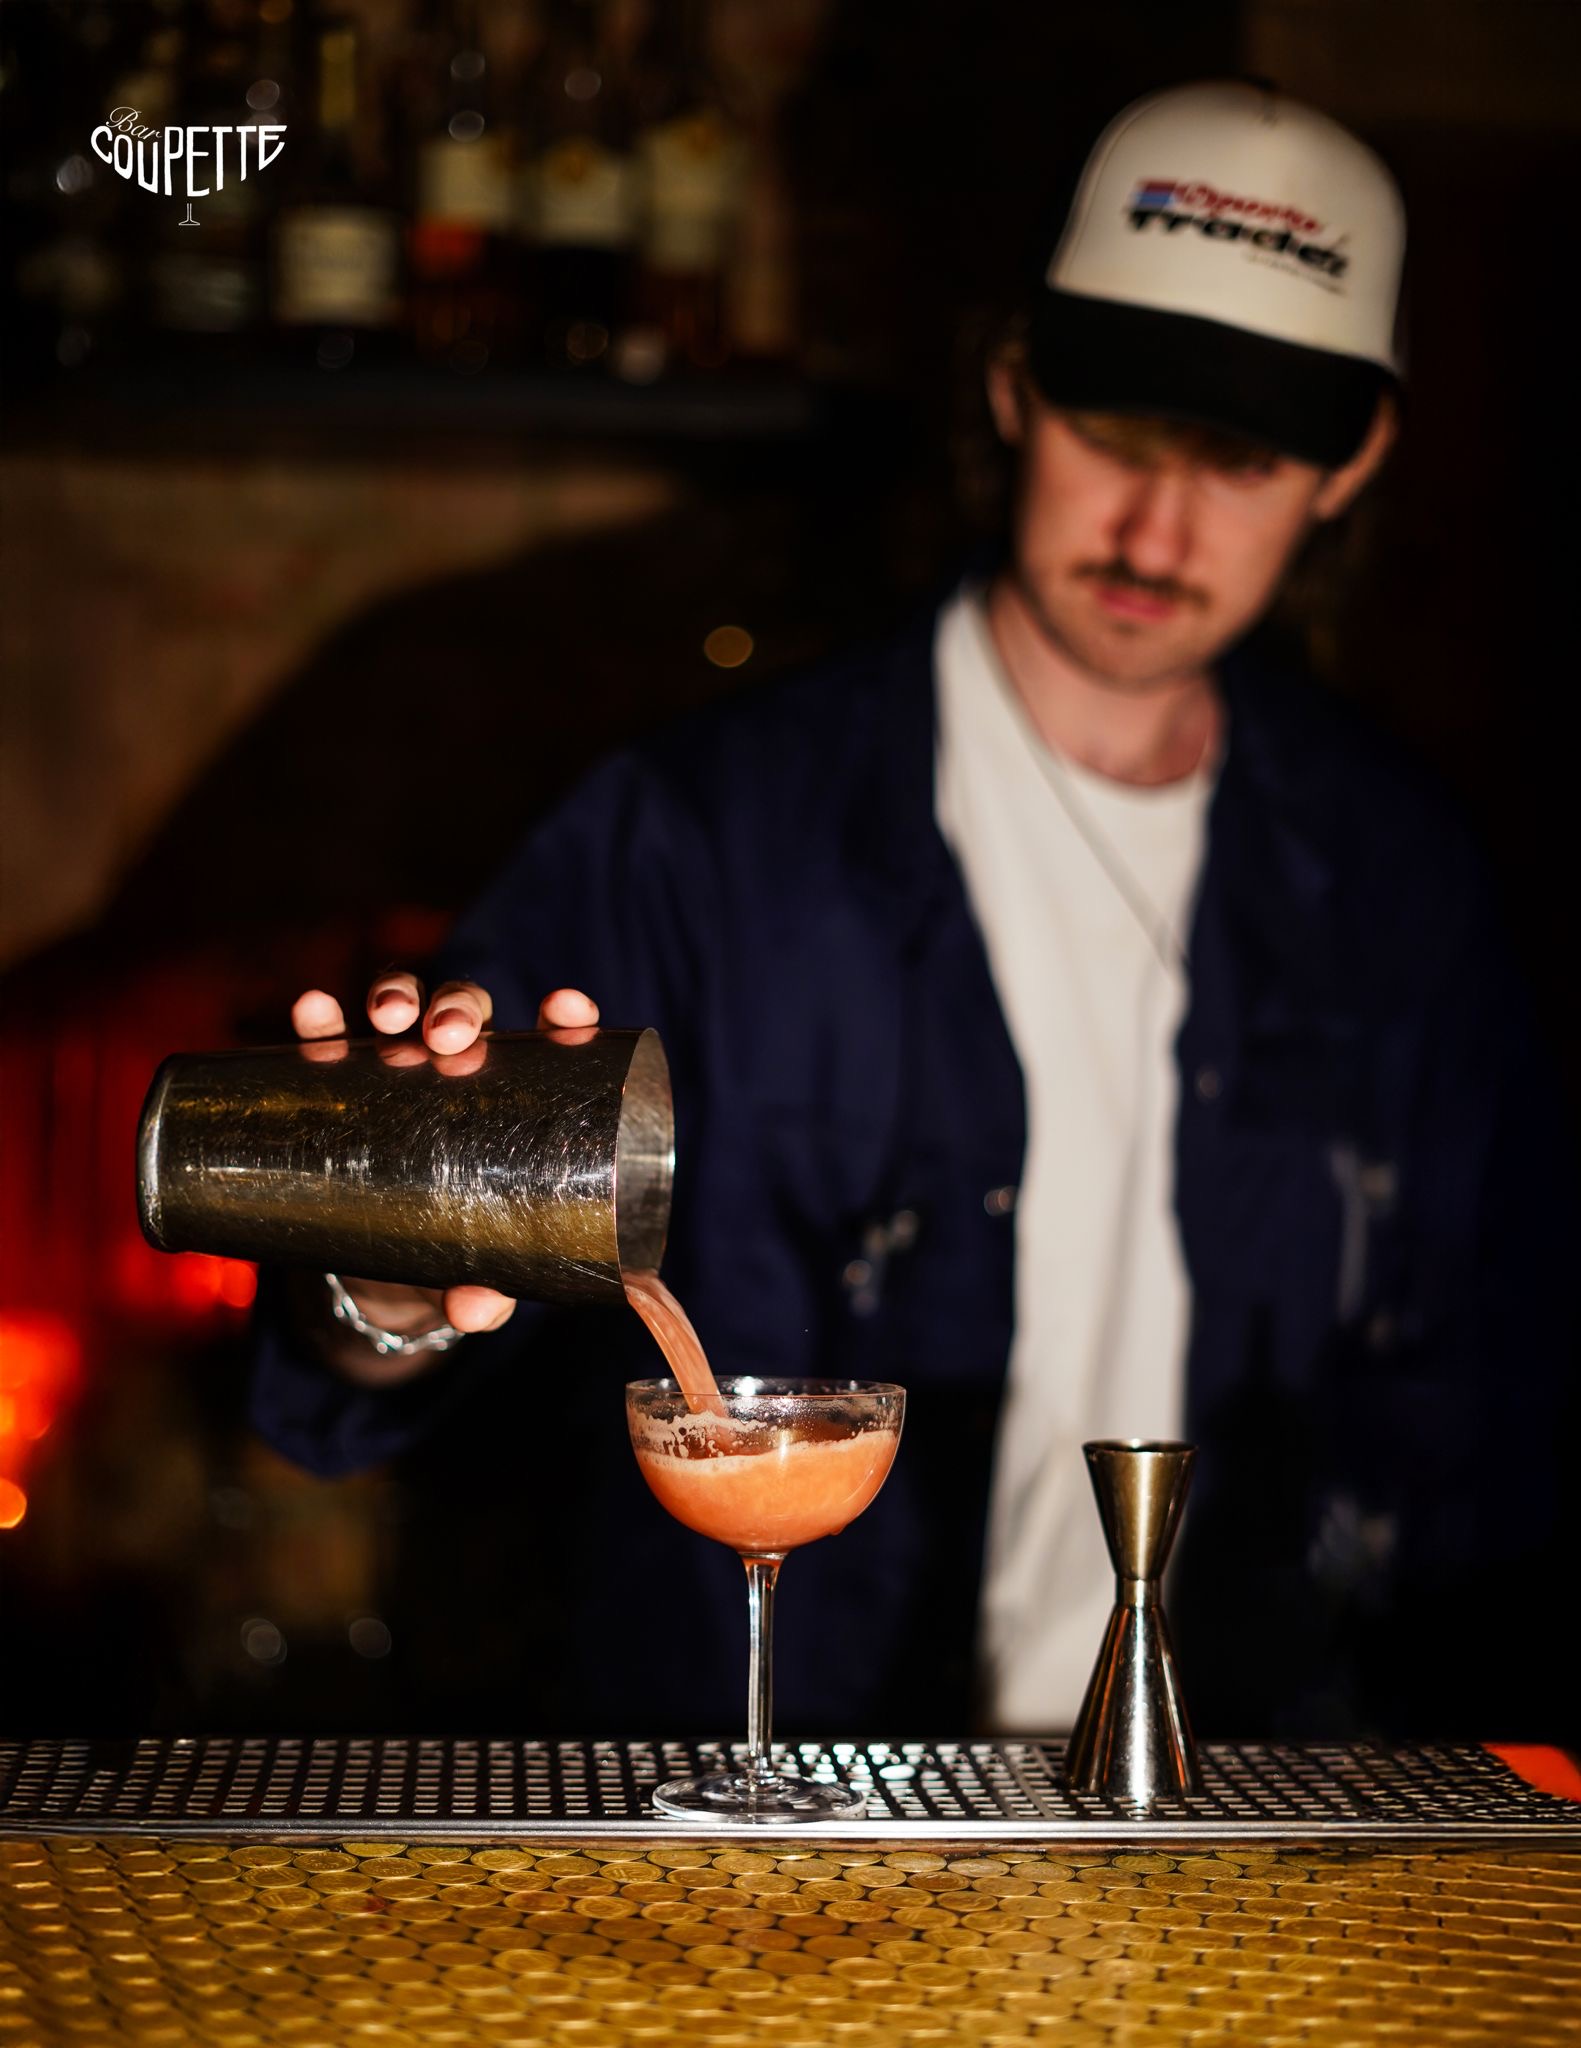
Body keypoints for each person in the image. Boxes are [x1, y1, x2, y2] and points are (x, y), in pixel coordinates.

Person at [254, 81, 1574, 1741]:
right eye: (1115, 435)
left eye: (1238, 462)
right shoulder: (700, 829)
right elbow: (364, 1370)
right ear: (1011, 386)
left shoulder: (1402, 878)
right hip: (770, 1813)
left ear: (1352, 461)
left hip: (1241, 1808)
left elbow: (1491, 1421)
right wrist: (384, 1281)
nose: (1155, 528)